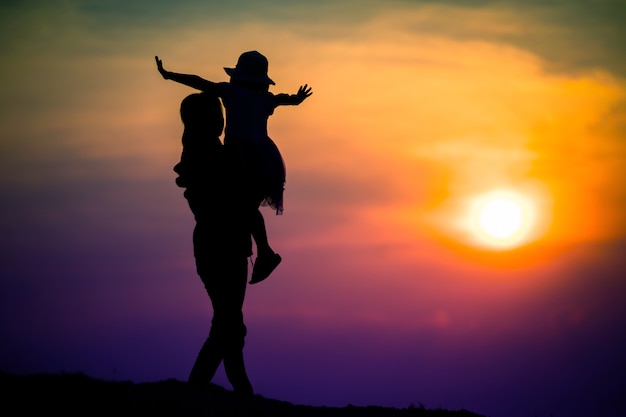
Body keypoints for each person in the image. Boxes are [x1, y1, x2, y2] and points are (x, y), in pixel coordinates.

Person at [155, 51, 312, 284]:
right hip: (265, 158)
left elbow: (200, 82)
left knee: (244, 206)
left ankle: (265, 252)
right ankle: (265, 252)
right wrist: (296, 99)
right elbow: (282, 98)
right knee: (248, 207)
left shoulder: (231, 93)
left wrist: (169, 75)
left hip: (239, 158)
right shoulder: (264, 99)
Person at [175, 91, 254, 396]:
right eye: (217, 114)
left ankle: (242, 392)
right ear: (209, 120)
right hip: (222, 244)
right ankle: (198, 391)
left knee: (229, 325)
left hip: (221, 244)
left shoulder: (204, 152)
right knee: (229, 326)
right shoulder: (208, 155)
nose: (222, 120)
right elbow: (233, 198)